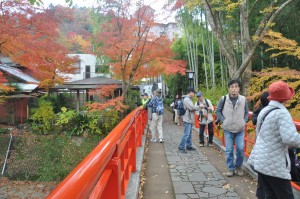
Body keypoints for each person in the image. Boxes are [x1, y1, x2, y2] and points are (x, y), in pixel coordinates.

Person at [248, 81, 300, 199]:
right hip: (275, 164)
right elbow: (290, 139)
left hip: (261, 160)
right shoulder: (282, 113)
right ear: (286, 97)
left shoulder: (265, 110)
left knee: (270, 195)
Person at [215, 79, 249, 177]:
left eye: (236, 87)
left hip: (240, 129)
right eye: (232, 87)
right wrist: (223, 120)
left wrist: (244, 121)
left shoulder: (243, 99)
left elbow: (246, 112)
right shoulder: (224, 99)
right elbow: (217, 111)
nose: (234, 89)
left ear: (239, 88)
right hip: (228, 128)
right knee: (229, 150)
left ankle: (238, 167)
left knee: (240, 149)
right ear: (229, 89)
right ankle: (231, 168)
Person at [251, 91, 269, 199]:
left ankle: (260, 194)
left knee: (263, 176)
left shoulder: (262, 111)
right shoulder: (274, 112)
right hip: (267, 148)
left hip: (261, 146)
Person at [178, 87, 200, 154]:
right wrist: (199, 107)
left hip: (189, 118)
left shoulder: (188, 99)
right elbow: (192, 108)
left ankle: (189, 146)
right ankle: (181, 147)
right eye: (193, 93)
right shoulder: (187, 99)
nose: (194, 94)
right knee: (186, 134)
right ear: (190, 92)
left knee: (189, 134)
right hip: (187, 118)